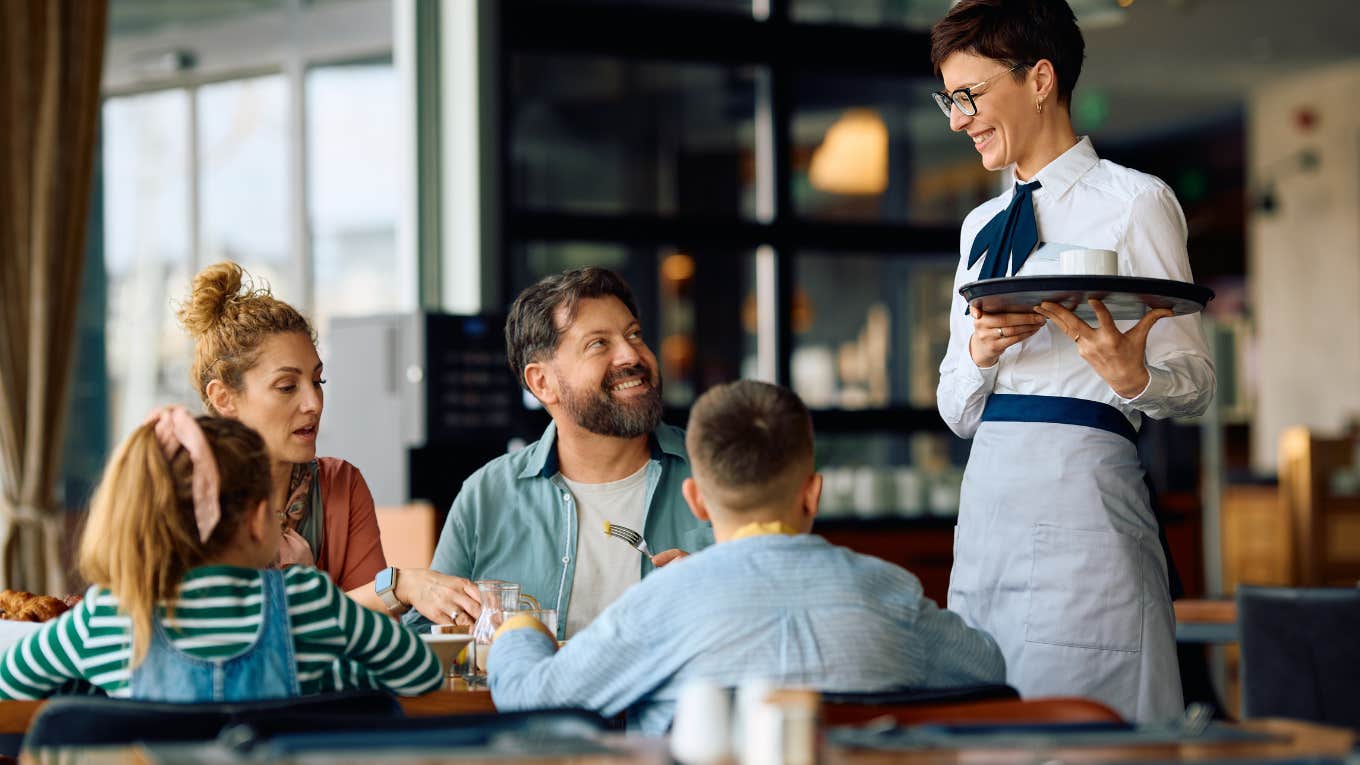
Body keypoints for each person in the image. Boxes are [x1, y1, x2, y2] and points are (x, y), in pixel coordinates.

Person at [931, 0, 1214, 722]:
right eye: (949, 100)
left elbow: (1198, 384)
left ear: (1040, 79)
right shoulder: (981, 226)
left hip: (1085, 499)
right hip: (989, 499)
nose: (958, 118)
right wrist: (978, 351)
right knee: (988, 715)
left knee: (1087, 721)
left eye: (969, 95)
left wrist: (1137, 377)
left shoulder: (1135, 203)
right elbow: (956, 411)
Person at [486, 380, 1005, 732]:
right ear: (812, 494)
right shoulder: (890, 592)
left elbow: (537, 703)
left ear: (696, 501)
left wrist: (519, 629)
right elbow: (987, 669)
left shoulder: (665, 601)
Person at [0, 408, 442, 701]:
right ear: (255, 520)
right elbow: (421, 672)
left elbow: (10, 680)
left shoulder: (106, 616)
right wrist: (335, 679)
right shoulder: (306, 601)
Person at [178, 262, 479, 626]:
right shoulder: (183, 494)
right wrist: (396, 587)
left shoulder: (341, 486)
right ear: (224, 398)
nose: (313, 404)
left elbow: (377, 635)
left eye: (318, 382)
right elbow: (226, 631)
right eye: (287, 387)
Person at [420, 267, 713, 639]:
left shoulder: (717, 471)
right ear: (542, 382)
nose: (630, 355)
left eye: (634, 334)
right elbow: (430, 638)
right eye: (598, 344)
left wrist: (716, 594)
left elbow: (782, 613)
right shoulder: (487, 495)